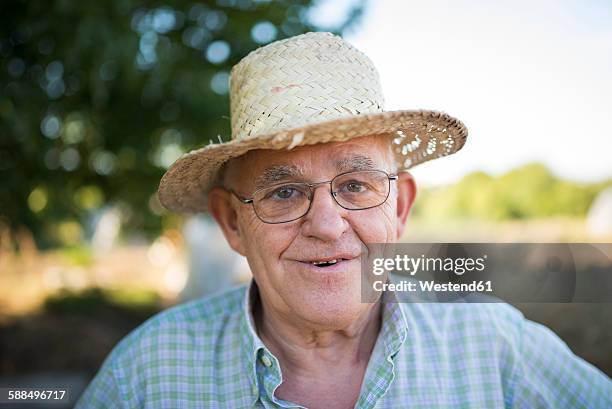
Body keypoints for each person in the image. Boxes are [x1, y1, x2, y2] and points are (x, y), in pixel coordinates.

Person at [76, 32, 611, 408]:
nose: (328, 226)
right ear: (232, 224)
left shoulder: (498, 349)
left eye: (356, 185)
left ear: (399, 207)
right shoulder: (146, 374)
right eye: (283, 193)